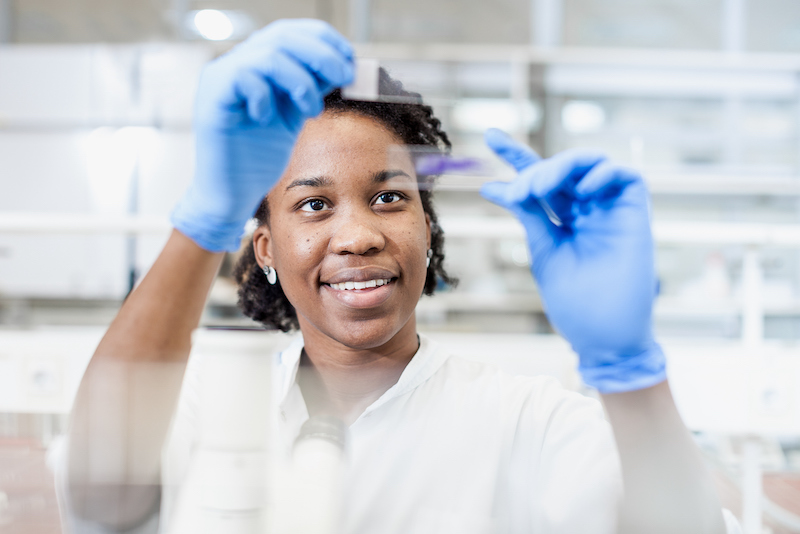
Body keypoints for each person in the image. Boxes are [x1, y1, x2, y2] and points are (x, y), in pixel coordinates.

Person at [61, 19, 741, 534]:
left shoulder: (525, 422)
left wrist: (628, 370)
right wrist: (203, 223)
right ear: (264, 248)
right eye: (314, 204)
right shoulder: (206, 399)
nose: (358, 235)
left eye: (389, 197)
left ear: (427, 229)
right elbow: (99, 499)